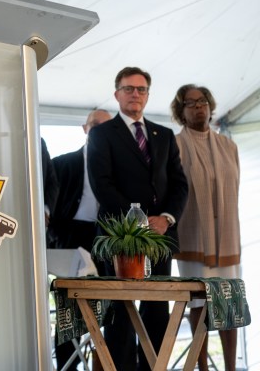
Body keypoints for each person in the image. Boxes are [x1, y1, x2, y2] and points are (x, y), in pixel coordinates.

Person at [87, 67, 188, 371]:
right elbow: (102, 184)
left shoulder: (164, 135)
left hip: (160, 236)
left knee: (157, 312)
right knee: (120, 312)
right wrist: (140, 221)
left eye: (141, 89)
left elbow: (179, 184)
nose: (135, 94)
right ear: (117, 94)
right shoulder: (102, 134)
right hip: (121, 237)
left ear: (147, 95)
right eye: (129, 89)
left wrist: (166, 218)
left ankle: (153, 367)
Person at [170, 84, 241, 371]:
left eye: (203, 102)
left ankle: (231, 368)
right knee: (199, 303)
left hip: (226, 235)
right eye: (191, 103)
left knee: (229, 302)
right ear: (181, 111)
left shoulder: (229, 145)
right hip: (193, 235)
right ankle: (201, 368)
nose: (199, 107)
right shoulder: (175, 144)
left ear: (210, 107)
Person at [49, 108, 110, 371]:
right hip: (71, 240)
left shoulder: (120, 169)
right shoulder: (62, 164)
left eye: (106, 126)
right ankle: (67, 367)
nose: (99, 130)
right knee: (70, 311)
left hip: (107, 240)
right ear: (84, 129)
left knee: (112, 308)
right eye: (94, 124)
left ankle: (107, 364)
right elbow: (47, 210)